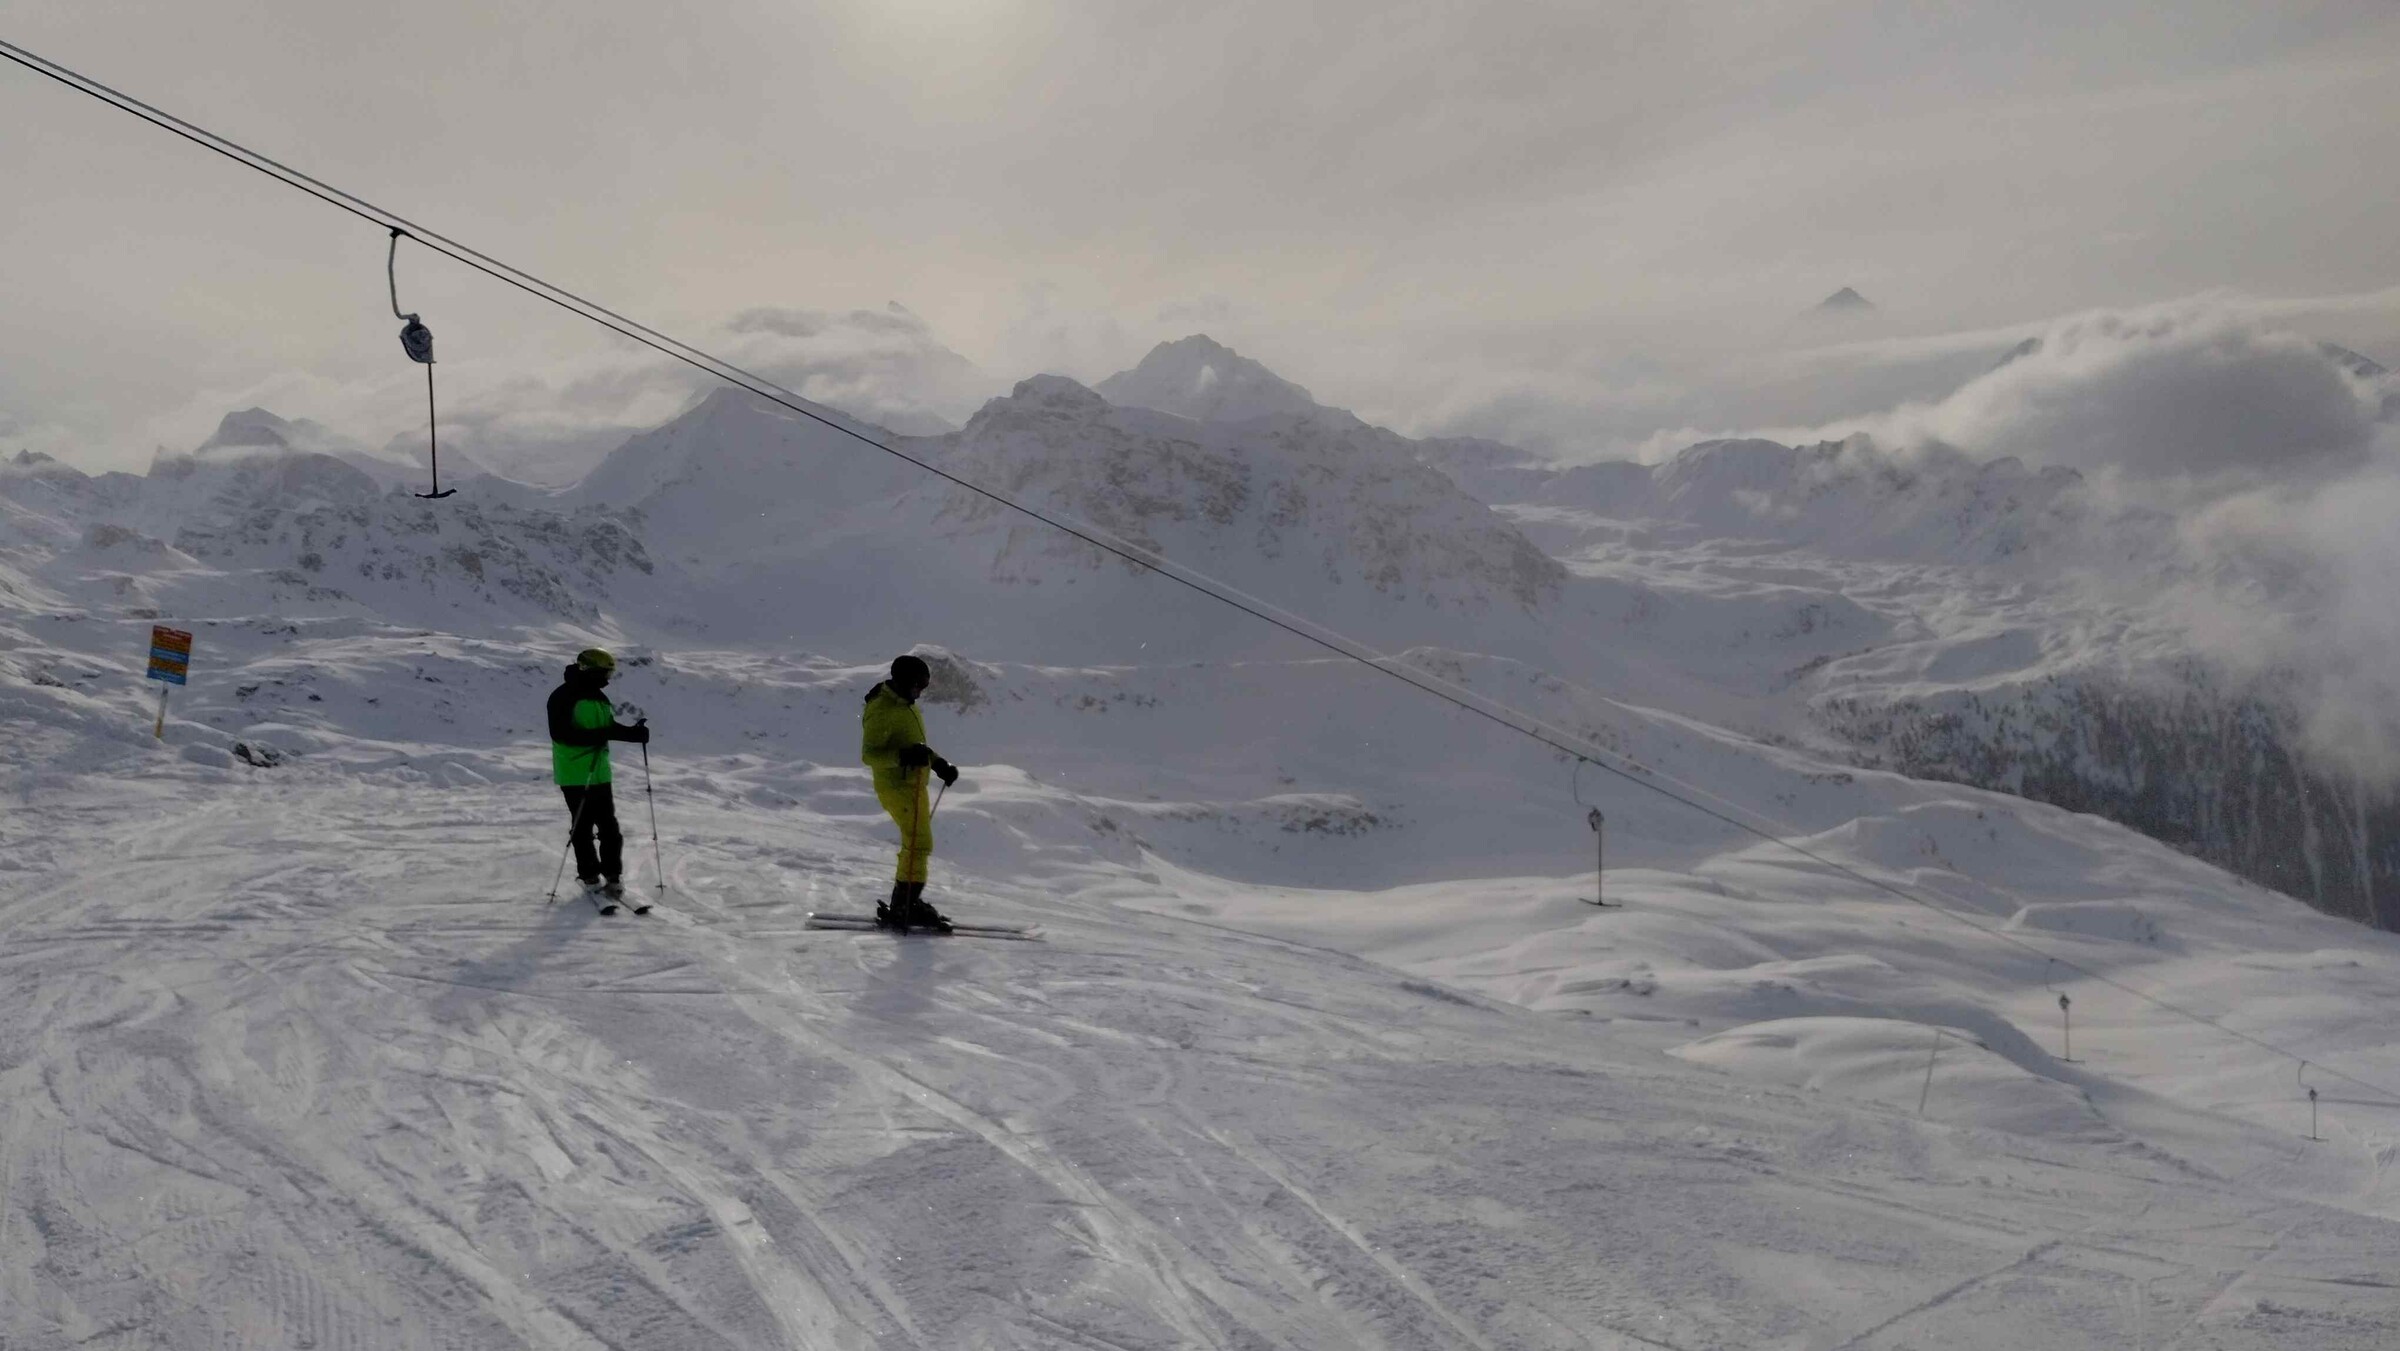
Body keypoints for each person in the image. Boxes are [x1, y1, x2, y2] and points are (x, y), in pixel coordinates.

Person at [860, 654, 960, 932]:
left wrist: (938, 764)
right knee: (918, 843)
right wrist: (902, 757)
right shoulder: (882, 709)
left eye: (925, 686)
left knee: (918, 844)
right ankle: (905, 906)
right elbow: (869, 755)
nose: (921, 691)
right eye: (919, 685)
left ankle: (906, 903)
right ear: (904, 682)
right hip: (896, 786)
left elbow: (917, 747)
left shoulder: (906, 706)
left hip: (914, 785)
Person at [548, 647, 649, 902]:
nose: (607, 679)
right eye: (604, 674)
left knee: (609, 828)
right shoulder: (562, 697)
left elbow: (607, 728)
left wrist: (633, 734)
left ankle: (613, 876)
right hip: (574, 773)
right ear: (589, 671)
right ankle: (590, 876)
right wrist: (602, 735)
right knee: (582, 828)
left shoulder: (598, 697)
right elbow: (562, 735)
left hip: (600, 773)